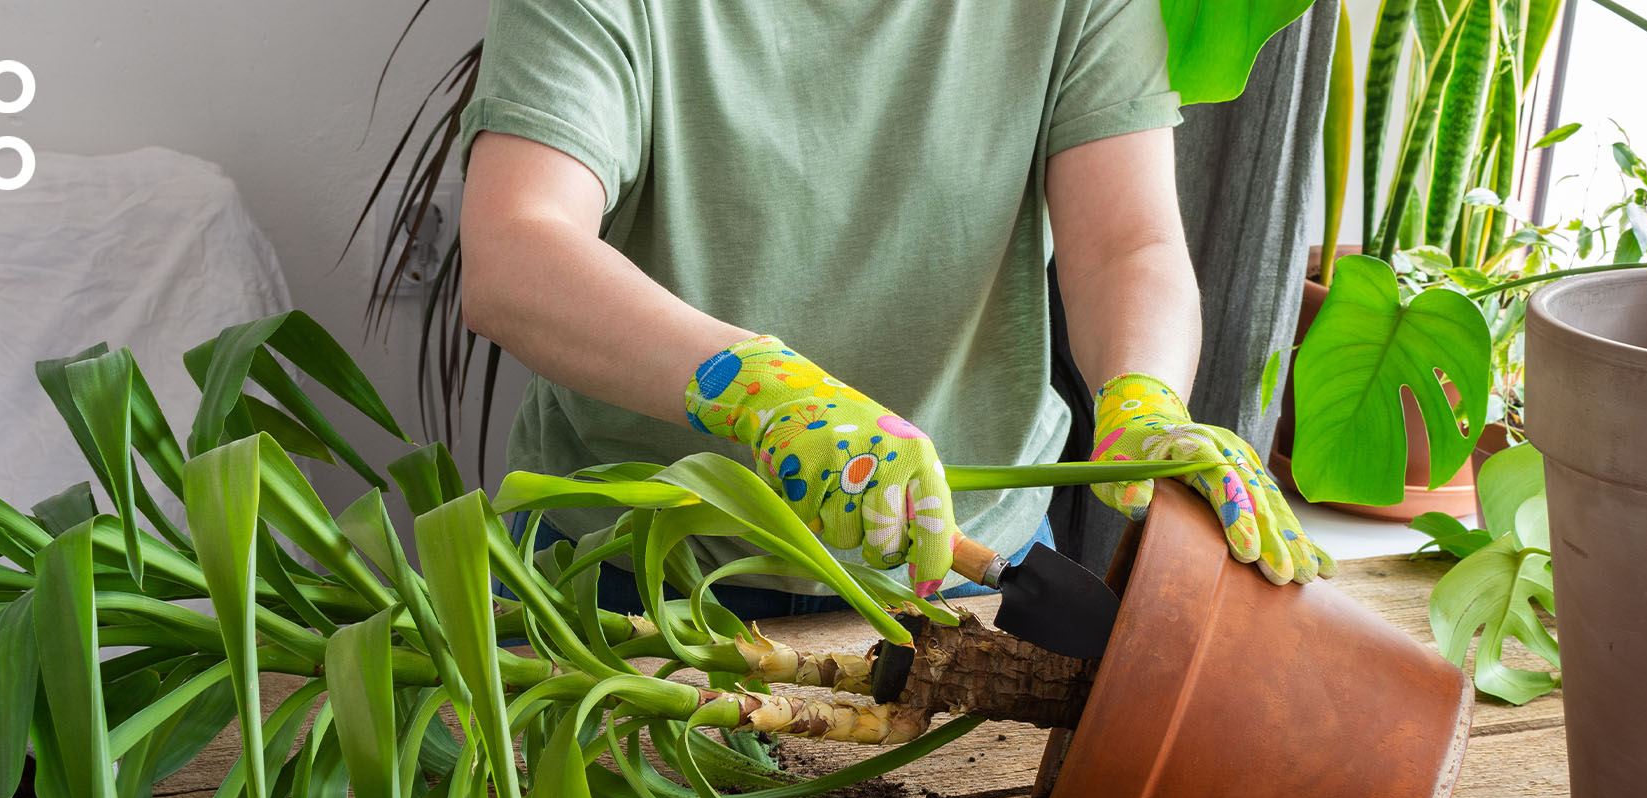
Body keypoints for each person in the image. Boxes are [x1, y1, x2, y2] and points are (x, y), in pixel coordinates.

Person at [457, 0, 1333, 618]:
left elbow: (1127, 243)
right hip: (629, 576)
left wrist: (1144, 395)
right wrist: (762, 392)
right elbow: (516, 246)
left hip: (967, 584)